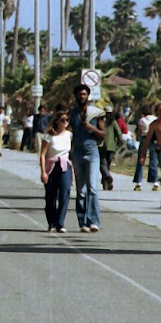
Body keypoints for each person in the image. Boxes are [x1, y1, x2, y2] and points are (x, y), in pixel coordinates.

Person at [69, 84, 105, 233]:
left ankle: (94, 221)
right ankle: (82, 221)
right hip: (77, 152)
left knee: (93, 188)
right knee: (80, 190)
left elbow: (103, 134)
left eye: (84, 94)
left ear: (88, 96)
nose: (81, 97)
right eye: (79, 94)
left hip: (92, 152)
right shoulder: (72, 114)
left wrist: (91, 127)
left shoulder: (96, 114)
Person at [39, 111, 73, 233]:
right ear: (57, 121)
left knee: (65, 193)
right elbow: (42, 154)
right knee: (50, 196)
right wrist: (43, 172)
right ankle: (51, 222)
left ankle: (60, 222)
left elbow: (72, 152)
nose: (65, 122)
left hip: (65, 165)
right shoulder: (49, 136)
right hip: (51, 166)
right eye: (62, 120)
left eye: (67, 120)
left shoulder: (69, 135)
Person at [133, 104, 159, 192]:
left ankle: (138, 183)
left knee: (141, 159)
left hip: (144, 138)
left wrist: (139, 136)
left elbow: (139, 132)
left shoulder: (141, 120)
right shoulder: (155, 119)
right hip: (153, 139)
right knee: (153, 160)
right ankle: (155, 182)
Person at [99, 106, 121, 191]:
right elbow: (119, 133)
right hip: (111, 146)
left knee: (102, 164)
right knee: (106, 165)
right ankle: (106, 182)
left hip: (102, 146)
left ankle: (107, 178)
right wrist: (119, 142)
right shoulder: (113, 122)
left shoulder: (100, 121)